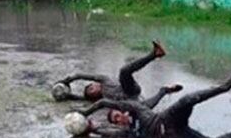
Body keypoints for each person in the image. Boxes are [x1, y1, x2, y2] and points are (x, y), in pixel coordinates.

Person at [75, 74, 231, 138]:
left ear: (123, 111)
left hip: (166, 119)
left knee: (188, 100)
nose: (119, 120)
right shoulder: (127, 133)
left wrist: (87, 111)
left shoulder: (138, 109)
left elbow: (105, 101)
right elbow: (108, 134)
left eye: (117, 116)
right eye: (116, 121)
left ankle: (223, 88)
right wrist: (90, 129)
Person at [53, 40, 181, 108]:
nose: (93, 91)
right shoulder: (103, 99)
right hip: (131, 100)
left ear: (94, 84)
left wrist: (68, 80)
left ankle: (154, 54)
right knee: (143, 110)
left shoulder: (104, 80)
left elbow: (83, 75)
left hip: (129, 88)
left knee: (124, 72)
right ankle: (164, 91)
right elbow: (80, 99)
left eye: (91, 88)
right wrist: (68, 96)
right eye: (91, 93)